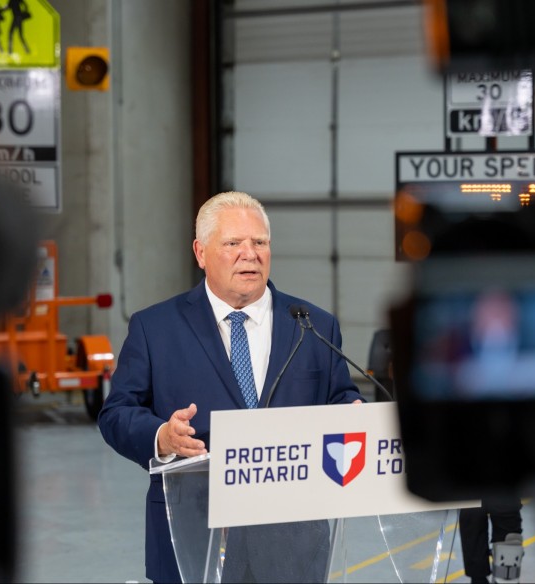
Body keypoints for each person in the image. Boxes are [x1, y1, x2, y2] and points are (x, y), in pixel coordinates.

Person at [98, 191, 364, 583]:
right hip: (193, 537)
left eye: (259, 242)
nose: (249, 254)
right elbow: (116, 413)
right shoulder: (155, 328)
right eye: (233, 243)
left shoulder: (313, 325)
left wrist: (352, 412)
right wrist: (162, 437)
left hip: (293, 542)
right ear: (200, 252)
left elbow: (340, 397)